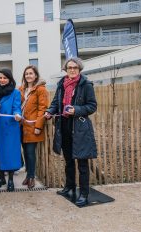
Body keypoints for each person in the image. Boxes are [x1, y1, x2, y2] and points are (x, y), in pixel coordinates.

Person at [45, 57, 97, 207]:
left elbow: (92, 106)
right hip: (64, 126)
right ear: (66, 70)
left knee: (82, 163)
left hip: (80, 128)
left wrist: (76, 110)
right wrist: (49, 111)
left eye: (75, 67)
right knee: (68, 161)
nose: (72, 70)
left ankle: (84, 193)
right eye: (69, 68)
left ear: (79, 69)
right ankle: (69, 186)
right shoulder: (61, 84)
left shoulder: (86, 84)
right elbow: (55, 102)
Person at [19, 65, 49, 189]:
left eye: (31, 73)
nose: (28, 76)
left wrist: (38, 126)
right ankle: (28, 175)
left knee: (31, 153)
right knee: (25, 151)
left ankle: (32, 177)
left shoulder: (40, 89)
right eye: (26, 74)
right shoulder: (21, 89)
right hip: (21, 126)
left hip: (32, 126)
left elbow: (43, 108)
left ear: (35, 75)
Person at [0, 68, 22, 192]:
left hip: (10, 126)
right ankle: (1, 178)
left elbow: (16, 107)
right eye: (0, 77)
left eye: (5, 78)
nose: (2, 80)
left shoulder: (15, 92)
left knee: (10, 153)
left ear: (9, 79)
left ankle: (10, 179)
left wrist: (17, 114)